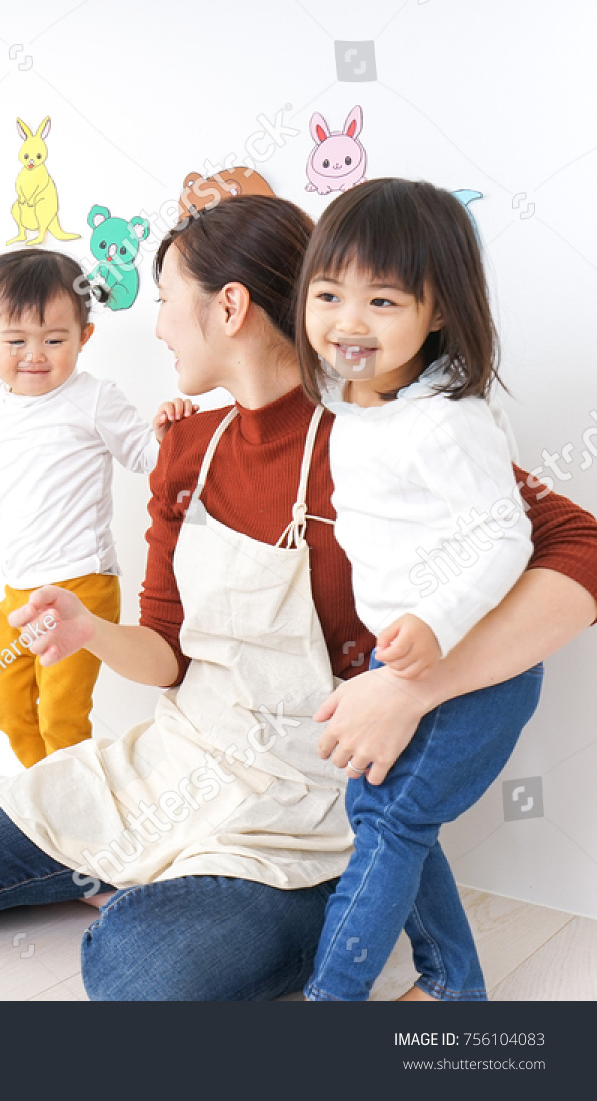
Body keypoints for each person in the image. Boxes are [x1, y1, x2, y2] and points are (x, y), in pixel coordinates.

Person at [0, 195, 597, 1000]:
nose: (161, 326)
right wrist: (91, 629)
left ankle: (319, 906)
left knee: (140, 973)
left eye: (168, 300)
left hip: (304, 810)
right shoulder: (184, 447)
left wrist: (411, 686)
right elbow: (168, 656)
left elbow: (581, 548)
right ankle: (159, 872)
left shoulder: (381, 434)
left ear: (231, 306)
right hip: (176, 761)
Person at [296, 179, 538, 1001]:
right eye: (328, 294)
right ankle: (453, 987)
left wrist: (435, 621)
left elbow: (507, 535)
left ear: (436, 312)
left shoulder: (446, 421)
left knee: (390, 823)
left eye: (384, 300)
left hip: (472, 669)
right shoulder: (349, 402)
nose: (349, 322)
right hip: (405, 663)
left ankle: (334, 998)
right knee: (386, 817)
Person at [0, 250, 186, 767]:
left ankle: (72, 804)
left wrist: (168, 430)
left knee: (61, 714)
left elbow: (147, 459)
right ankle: (44, 791)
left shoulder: (94, 398)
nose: (35, 355)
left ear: (84, 336)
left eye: (55, 340)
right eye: (15, 341)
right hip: (21, 590)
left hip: (82, 584)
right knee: (7, 703)